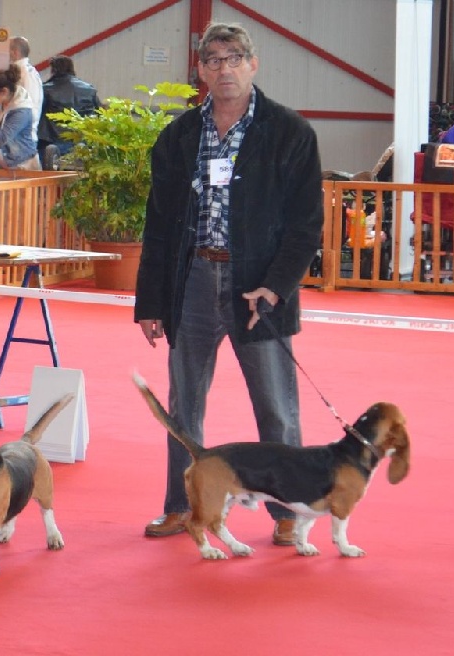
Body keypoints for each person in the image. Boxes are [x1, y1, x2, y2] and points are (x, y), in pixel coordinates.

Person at [134, 22, 323, 545]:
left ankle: (289, 514)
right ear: (201, 70)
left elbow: (307, 226)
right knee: (183, 406)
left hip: (257, 289)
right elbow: (158, 225)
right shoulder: (178, 137)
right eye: (213, 60)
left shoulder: (290, 133)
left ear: (253, 64)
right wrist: (150, 300)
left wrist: (277, 286)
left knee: (276, 409)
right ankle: (182, 505)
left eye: (234, 57)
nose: (224, 69)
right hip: (190, 281)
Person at [37, 54, 101, 167]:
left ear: (54, 70)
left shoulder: (46, 89)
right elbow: (100, 114)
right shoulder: (89, 89)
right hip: (81, 138)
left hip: (53, 141)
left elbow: (37, 114)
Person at [9, 36, 42, 143]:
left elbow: (31, 105)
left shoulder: (27, 74)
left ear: (15, 52)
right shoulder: (17, 72)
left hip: (22, 138)